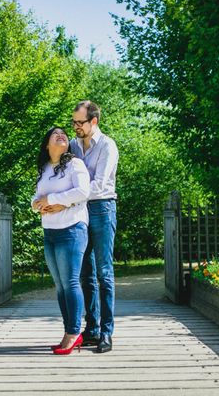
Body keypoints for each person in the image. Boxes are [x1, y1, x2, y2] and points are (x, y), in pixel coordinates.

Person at [32, 126, 91, 355]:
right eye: (55, 134)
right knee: (60, 286)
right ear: (47, 145)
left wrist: (55, 200)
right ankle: (68, 330)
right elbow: (37, 196)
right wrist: (37, 205)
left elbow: (83, 191)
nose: (61, 135)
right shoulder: (44, 168)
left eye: (64, 133)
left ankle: (74, 333)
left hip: (72, 229)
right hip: (50, 232)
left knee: (71, 282)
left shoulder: (75, 164)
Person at [70, 100, 119, 353]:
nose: (76, 126)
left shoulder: (107, 146)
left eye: (80, 122)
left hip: (102, 208)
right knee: (84, 272)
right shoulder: (73, 145)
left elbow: (99, 185)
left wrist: (69, 196)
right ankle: (92, 329)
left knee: (104, 272)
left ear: (94, 121)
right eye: (74, 122)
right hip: (79, 210)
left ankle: (107, 333)